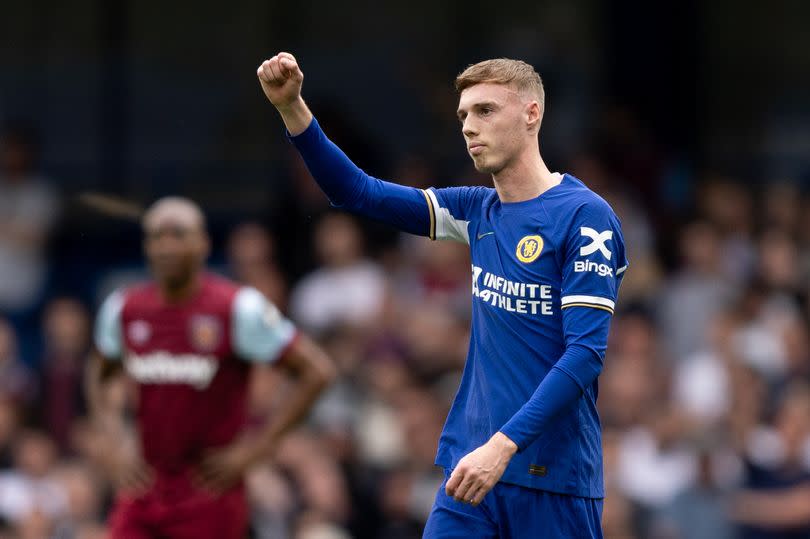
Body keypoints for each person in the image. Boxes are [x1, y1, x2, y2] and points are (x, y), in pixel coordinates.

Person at [257, 53, 628, 538]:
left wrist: (504, 445)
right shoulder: (477, 210)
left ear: (532, 113)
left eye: (486, 110)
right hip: (470, 471)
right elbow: (357, 192)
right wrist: (292, 109)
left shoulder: (584, 216)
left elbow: (584, 355)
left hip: (550, 476)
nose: (470, 127)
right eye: (463, 116)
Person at [86, 197, 335, 538]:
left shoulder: (237, 308)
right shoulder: (124, 308)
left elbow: (316, 371)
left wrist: (256, 449)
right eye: (157, 236)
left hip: (209, 490)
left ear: (202, 243)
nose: (167, 245)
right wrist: (113, 440)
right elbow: (100, 372)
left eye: (178, 234)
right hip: (145, 485)